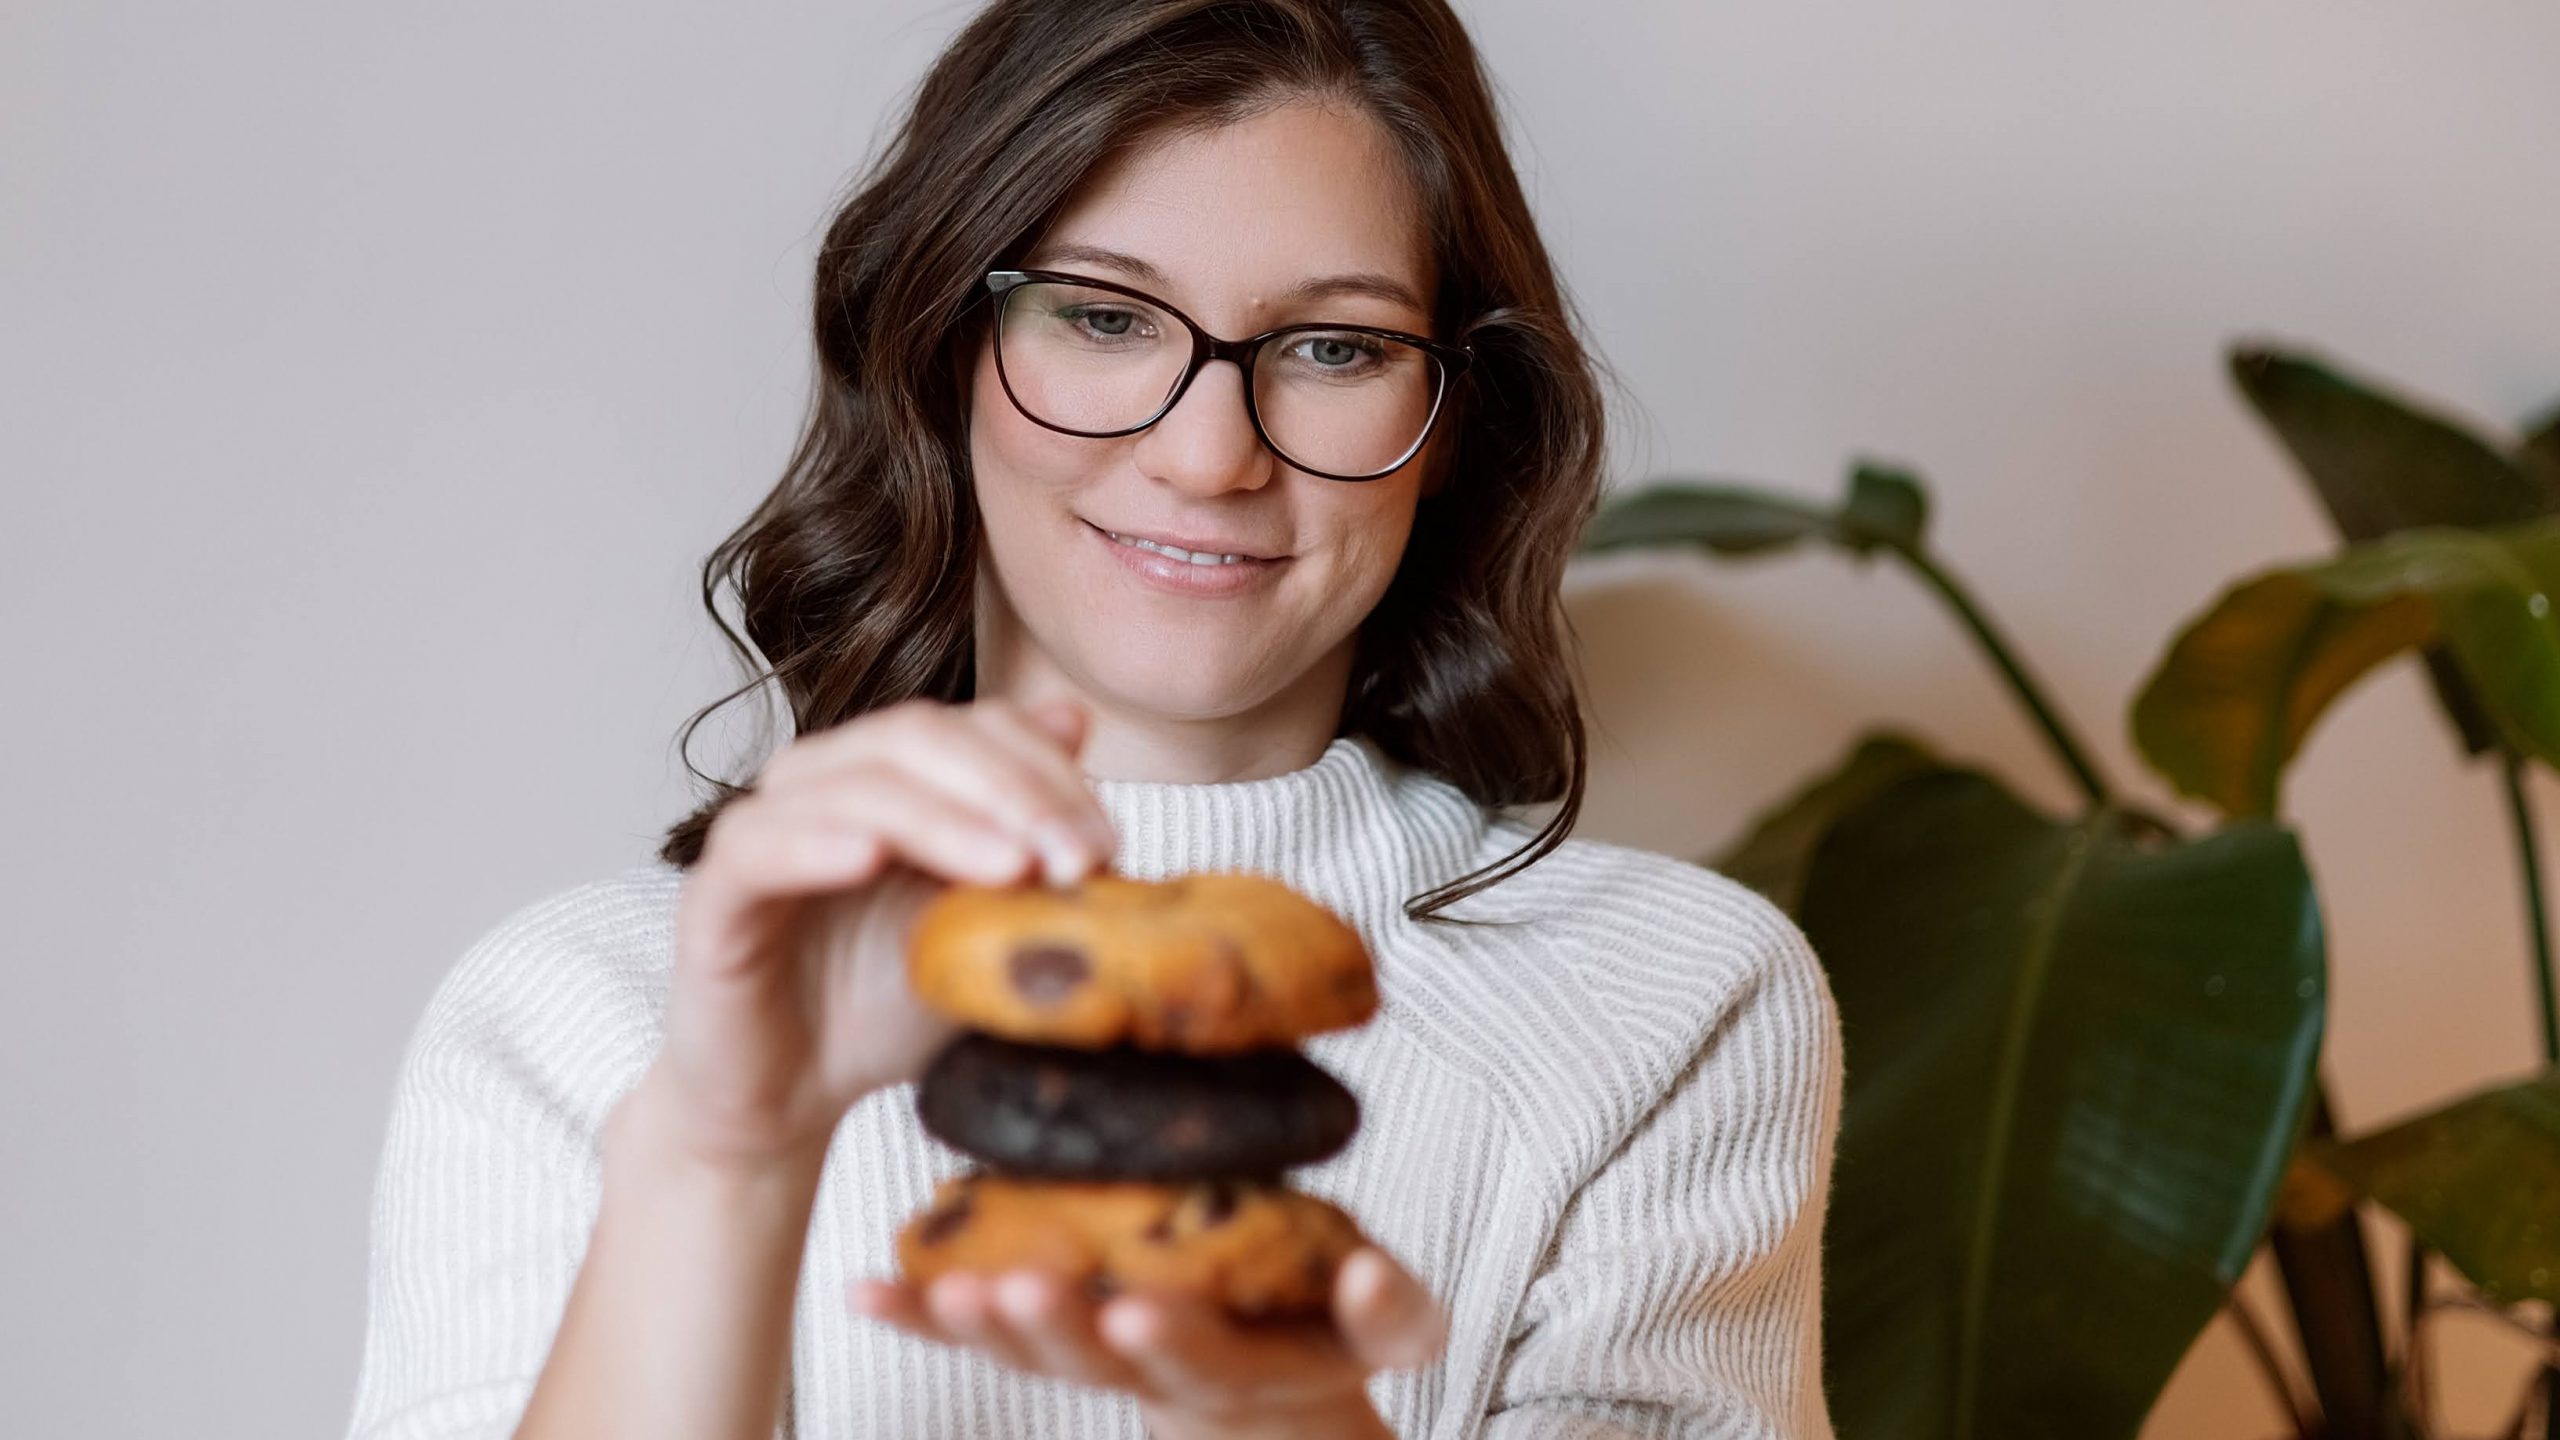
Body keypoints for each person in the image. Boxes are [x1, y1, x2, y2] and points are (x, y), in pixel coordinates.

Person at [342, 1, 1845, 1436]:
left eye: (1336, 347)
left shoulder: (1674, 1006)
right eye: (1106, 317)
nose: (1208, 457)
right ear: (946, 352)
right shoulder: (581, 1012)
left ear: (1450, 419)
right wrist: (725, 1159)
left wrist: (1281, 1410)